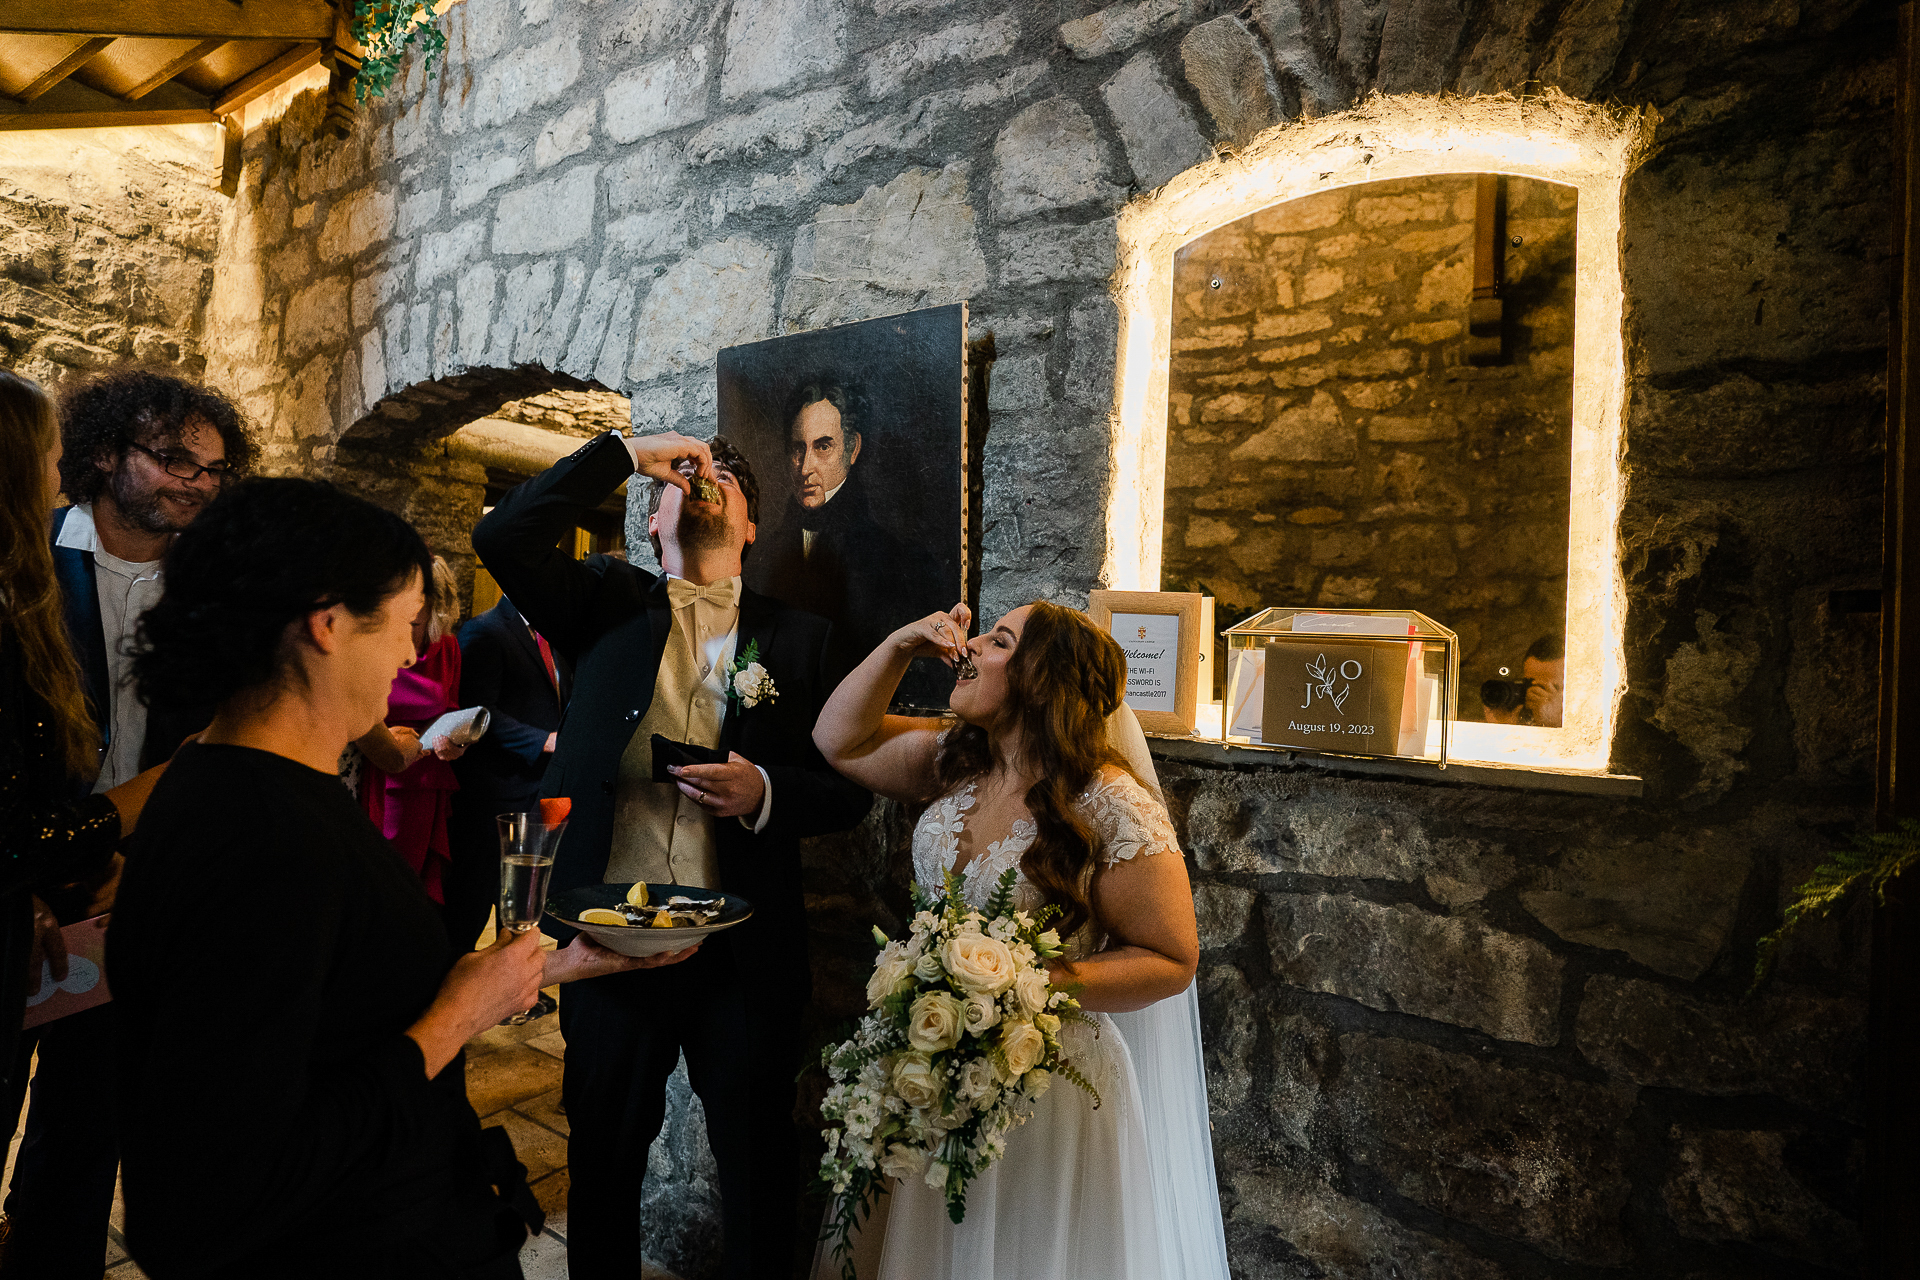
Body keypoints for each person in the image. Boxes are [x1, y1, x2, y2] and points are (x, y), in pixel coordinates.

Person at [107, 478, 673, 1279]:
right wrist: (453, 1020)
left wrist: (553, 967)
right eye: (405, 624)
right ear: (328, 624)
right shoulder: (259, 836)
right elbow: (210, 1196)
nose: (412, 655)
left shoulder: (246, 784)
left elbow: (339, 1007)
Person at [471, 427, 872, 1280]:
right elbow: (501, 535)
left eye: (726, 476)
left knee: (761, 1163)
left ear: (755, 529)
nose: (707, 483)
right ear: (653, 522)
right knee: (604, 1161)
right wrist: (626, 452)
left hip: (743, 951)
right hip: (604, 941)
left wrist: (764, 792)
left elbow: (849, 791)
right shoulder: (600, 601)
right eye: (688, 477)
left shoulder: (802, 640)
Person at [811, 600, 1229, 1280]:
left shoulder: (1109, 803)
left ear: (1042, 678)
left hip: (1044, 1078)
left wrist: (1022, 987)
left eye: (998, 639)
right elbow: (838, 740)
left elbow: (1172, 958)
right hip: (935, 1062)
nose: (970, 645)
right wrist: (897, 645)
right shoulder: (956, 762)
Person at [1, 369, 240, 1279]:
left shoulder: (212, 598)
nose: (194, 481)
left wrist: (144, 867)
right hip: (21, 880)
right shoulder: (25, 566)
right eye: (175, 458)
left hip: (131, 891)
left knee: (85, 1130)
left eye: (212, 470)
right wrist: (22, 885)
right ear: (102, 454)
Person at [752, 381, 949, 694]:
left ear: (852, 448)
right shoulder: (762, 554)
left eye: (823, 447)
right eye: (797, 449)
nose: (805, 467)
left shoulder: (896, 560)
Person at [448, 594, 570, 953]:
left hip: (538, 792)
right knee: (468, 909)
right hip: (491, 798)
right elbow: (475, 713)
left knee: (522, 905)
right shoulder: (484, 631)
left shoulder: (552, 636)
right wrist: (544, 740)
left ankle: (511, 991)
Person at [360, 556, 469, 908]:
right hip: (379, 774)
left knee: (413, 892)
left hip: (426, 782)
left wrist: (457, 741)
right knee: (378, 882)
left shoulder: (448, 648)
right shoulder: (373, 643)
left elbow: (450, 708)